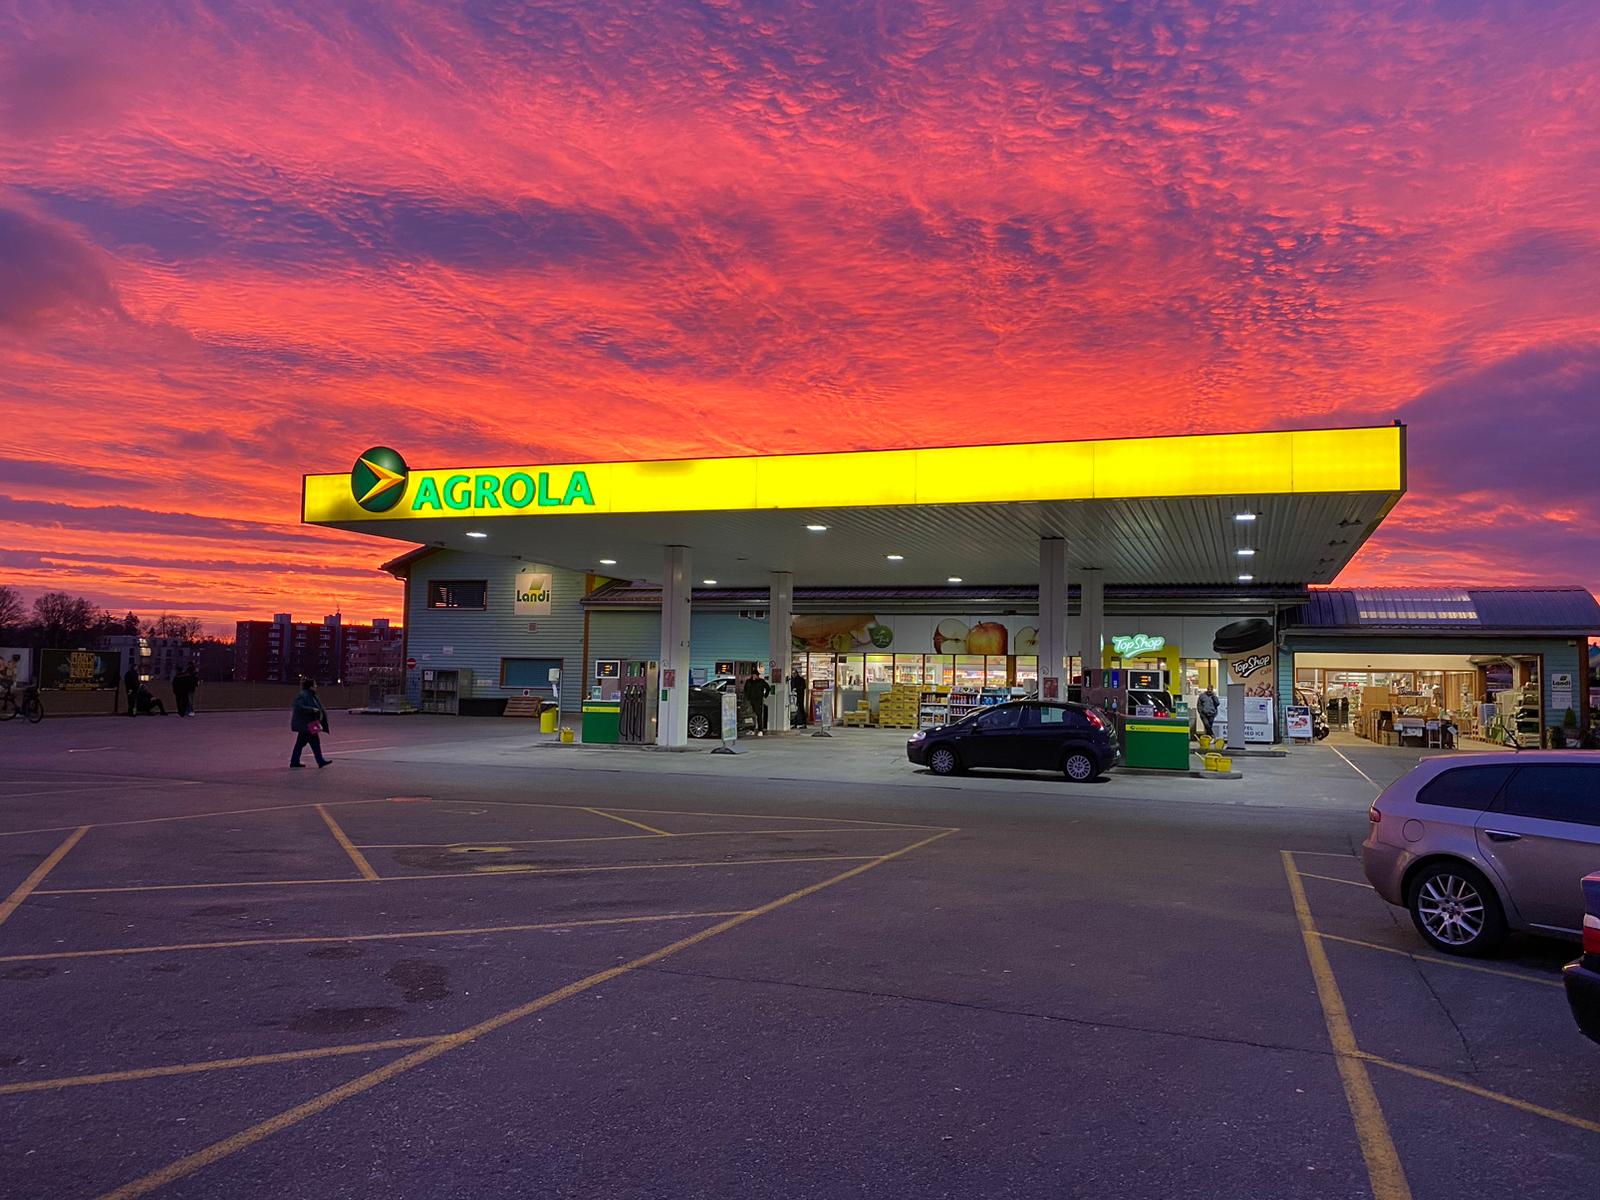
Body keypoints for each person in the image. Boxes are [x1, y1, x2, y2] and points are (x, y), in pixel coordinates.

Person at [290, 678, 331, 768]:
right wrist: (312, 710)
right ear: (310, 686)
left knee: (301, 744)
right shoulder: (303, 695)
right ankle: (320, 761)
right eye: (315, 685)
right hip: (306, 724)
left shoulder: (311, 695)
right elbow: (299, 707)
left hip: (309, 724)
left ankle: (295, 761)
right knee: (314, 742)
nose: (316, 686)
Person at [743, 669, 772, 736]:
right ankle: (751, 729)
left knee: (759, 715)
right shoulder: (748, 681)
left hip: (758, 700)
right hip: (750, 700)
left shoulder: (761, 681)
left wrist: (765, 696)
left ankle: (760, 730)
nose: (756, 676)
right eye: (754, 675)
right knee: (750, 715)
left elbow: (768, 688)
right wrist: (746, 698)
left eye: (756, 675)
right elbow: (745, 690)